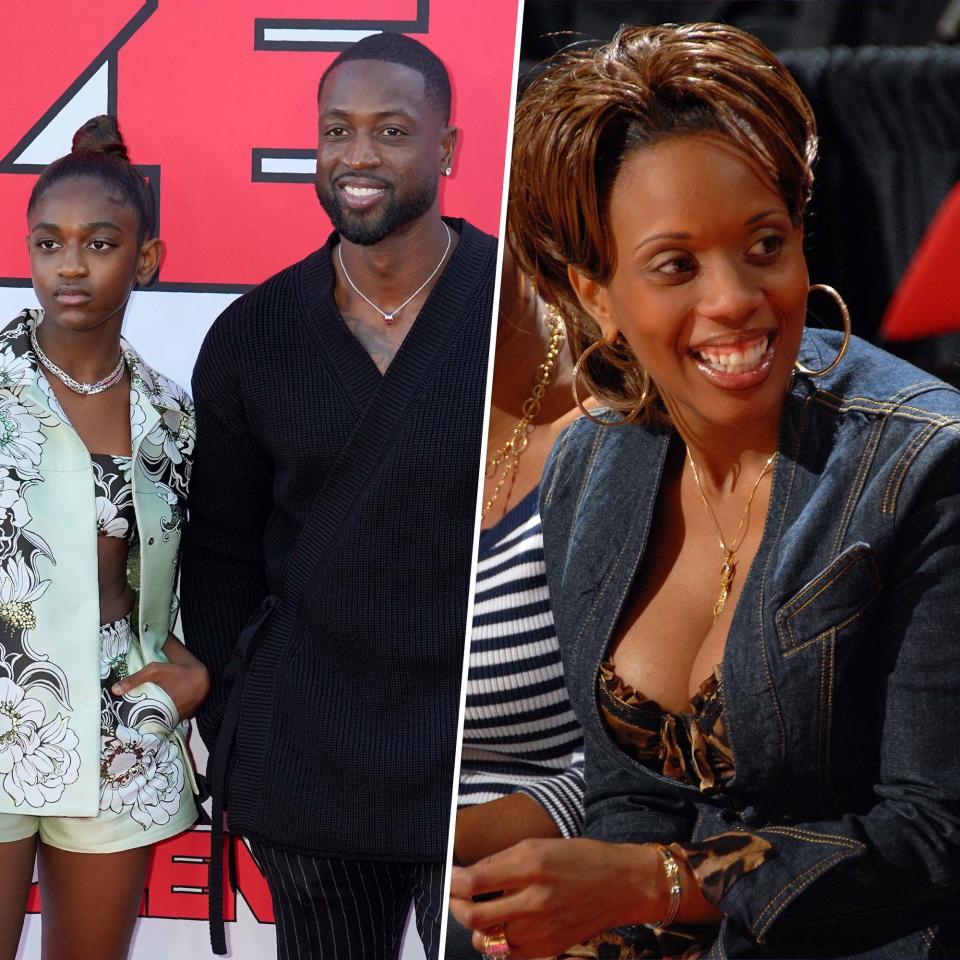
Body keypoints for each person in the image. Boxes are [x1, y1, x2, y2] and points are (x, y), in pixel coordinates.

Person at [450, 23, 960, 960]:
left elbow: (934, 840)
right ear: (594, 293)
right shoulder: (591, 466)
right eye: (675, 265)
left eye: (765, 244)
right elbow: (632, 795)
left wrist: (659, 885)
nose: (733, 298)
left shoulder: (927, 467)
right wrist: (576, 921)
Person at [181, 31, 497, 960]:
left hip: (483, 771)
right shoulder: (253, 337)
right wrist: (238, 718)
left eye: (392, 131)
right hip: (314, 770)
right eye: (338, 131)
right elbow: (222, 551)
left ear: (446, 149)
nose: (358, 156)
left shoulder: (524, 311)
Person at [0, 116, 206, 960]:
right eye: (49, 243)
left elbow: (186, 563)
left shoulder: (172, 411)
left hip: (122, 726)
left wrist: (188, 663)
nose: (70, 265)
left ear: (145, 260)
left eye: (99, 242)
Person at [447, 251, 586, 960]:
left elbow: (643, 754)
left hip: (532, 853)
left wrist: (444, 836)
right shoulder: (421, 419)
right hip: (388, 834)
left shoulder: (609, 439)